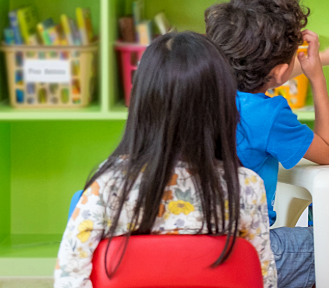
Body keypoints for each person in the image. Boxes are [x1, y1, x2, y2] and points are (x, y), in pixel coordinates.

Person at [55, 31, 277, 288]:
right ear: (223, 107)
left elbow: (69, 278)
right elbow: (263, 279)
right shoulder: (247, 187)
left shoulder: (107, 184)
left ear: (140, 104)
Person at [205, 0, 329, 288]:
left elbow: (251, 83)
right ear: (278, 72)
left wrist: (327, 57)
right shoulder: (269, 114)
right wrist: (317, 76)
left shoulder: (199, 88)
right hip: (243, 249)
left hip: (191, 242)